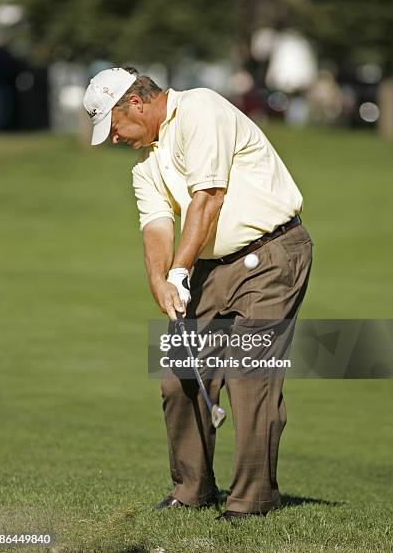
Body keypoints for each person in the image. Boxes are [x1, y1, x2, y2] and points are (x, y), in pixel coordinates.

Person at [83, 66, 313, 521]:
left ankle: (252, 500)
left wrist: (181, 269)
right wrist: (161, 283)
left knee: (250, 378)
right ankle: (192, 491)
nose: (113, 138)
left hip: (269, 256)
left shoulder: (201, 109)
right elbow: (155, 227)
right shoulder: (146, 162)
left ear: (136, 103)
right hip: (210, 268)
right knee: (179, 377)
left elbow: (208, 198)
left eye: (113, 127)